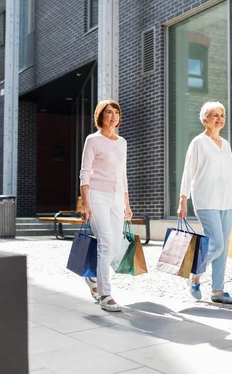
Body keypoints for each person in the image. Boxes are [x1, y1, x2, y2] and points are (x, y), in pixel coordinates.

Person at [178, 101, 232, 305]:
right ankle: (195, 275)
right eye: (215, 115)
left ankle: (218, 290)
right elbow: (188, 171)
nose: (220, 118)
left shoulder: (226, 144)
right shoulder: (198, 143)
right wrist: (183, 199)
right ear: (205, 120)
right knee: (216, 243)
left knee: (223, 246)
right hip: (205, 199)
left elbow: (231, 175)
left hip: (226, 200)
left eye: (222, 115)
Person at [79, 99, 132, 312]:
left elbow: (123, 174)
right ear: (100, 116)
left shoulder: (122, 142)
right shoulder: (93, 140)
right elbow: (85, 172)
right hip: (97, 196)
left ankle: (93, 278)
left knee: (116, 246)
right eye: (109, 112)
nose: (113, 116)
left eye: (116, 112)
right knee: (106, 243)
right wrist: (85, 203)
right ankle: (105, 294)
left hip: (117, 197)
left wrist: (127, 203)